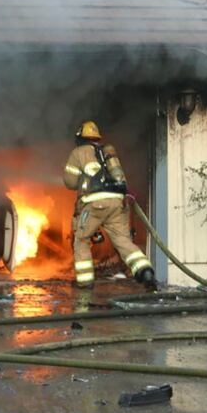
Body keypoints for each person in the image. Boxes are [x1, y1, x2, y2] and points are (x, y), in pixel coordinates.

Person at [63, 120, 155, 288]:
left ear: (80, 138)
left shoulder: (78, 152)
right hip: (117, 203)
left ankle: (85, 283)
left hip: (95, 203)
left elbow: (69, 181)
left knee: (81, 239)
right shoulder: (106, 153)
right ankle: (145, 270)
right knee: (123, 241)